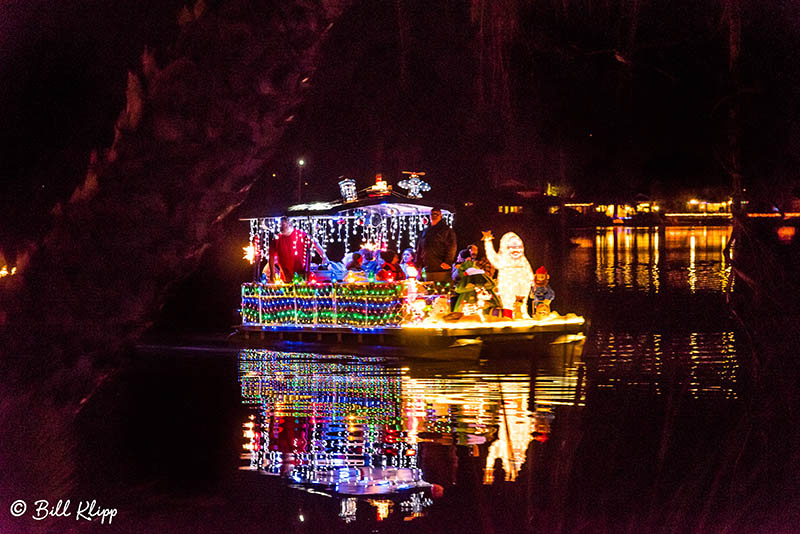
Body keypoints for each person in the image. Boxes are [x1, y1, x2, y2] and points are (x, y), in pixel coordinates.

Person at [265, 217, 326, 282]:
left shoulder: (300, 235)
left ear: (290, 224)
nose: (280, 228)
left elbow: (314, 243)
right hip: (285, 277)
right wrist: (272, 272)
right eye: (280, 225)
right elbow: (271, 257)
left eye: (283, 225)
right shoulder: (277, 239)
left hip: (301, 275)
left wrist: (324, 257)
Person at [415, 207, 457, 283]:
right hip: (428, 268)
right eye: (432, 214)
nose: (434, 216)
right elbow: (420, 248)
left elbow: (451, 246)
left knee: (442, 290)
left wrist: (447, 261)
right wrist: (418, 265)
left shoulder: (446, 230)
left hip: (441, 268)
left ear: (440, 215)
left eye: (436, 214)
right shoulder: (426, 231)